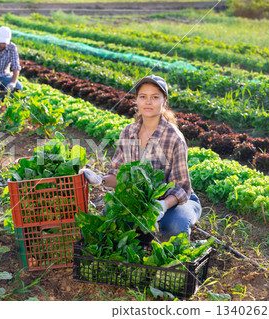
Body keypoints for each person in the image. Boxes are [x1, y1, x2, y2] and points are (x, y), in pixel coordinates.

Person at [81, 75, 201, 241]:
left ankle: (174, 253)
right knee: (110, 218)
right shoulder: (129, 132)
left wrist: (163, 205)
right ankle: (145, 237)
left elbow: (182, 188)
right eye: (143, 96)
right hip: (141, 200)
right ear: (136, 100)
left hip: (176, 201)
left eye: (155, 97)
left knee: (173, 225)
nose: (148, 102)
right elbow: (119, 176)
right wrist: (99, 179)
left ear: (164, 102)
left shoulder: (174, 137)